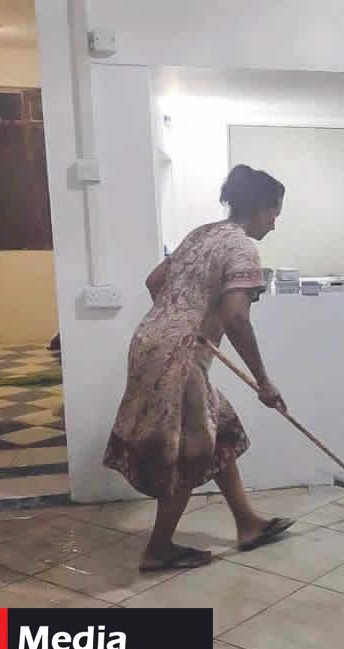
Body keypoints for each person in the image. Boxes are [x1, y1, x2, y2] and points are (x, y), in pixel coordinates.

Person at [104, 165, 295, 571]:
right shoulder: (243, 247)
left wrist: (177, 317)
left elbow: (154, 281)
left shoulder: (201, 234)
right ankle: (159, 548)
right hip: (180, 354)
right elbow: (237, 318)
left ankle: (247, 523)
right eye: (274, 214)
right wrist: (263, 381)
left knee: (219, 426)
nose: (274, 225)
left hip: (149, 342)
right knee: (194, 448)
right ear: (260, 208)